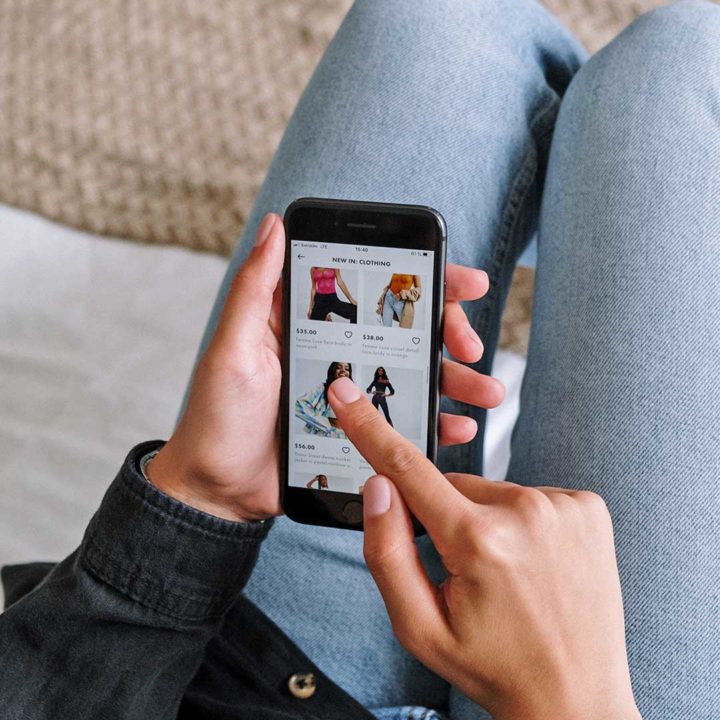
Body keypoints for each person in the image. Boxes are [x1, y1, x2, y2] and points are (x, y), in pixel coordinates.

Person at [2, 1, 718, 718]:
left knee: (434, 19)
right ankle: (583, 189)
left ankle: (574, 186)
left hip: (225, 665)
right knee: (679, 63)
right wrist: (575, 698)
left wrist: (201, 496)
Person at [295, 361, 353, 438]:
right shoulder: (322, 388)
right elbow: (298, 406)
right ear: (332, 371)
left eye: (347, 369)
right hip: (319, 435)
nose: (343, 370)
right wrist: (325, 423)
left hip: (343, 439)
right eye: (339, 367)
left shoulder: (352, 394)